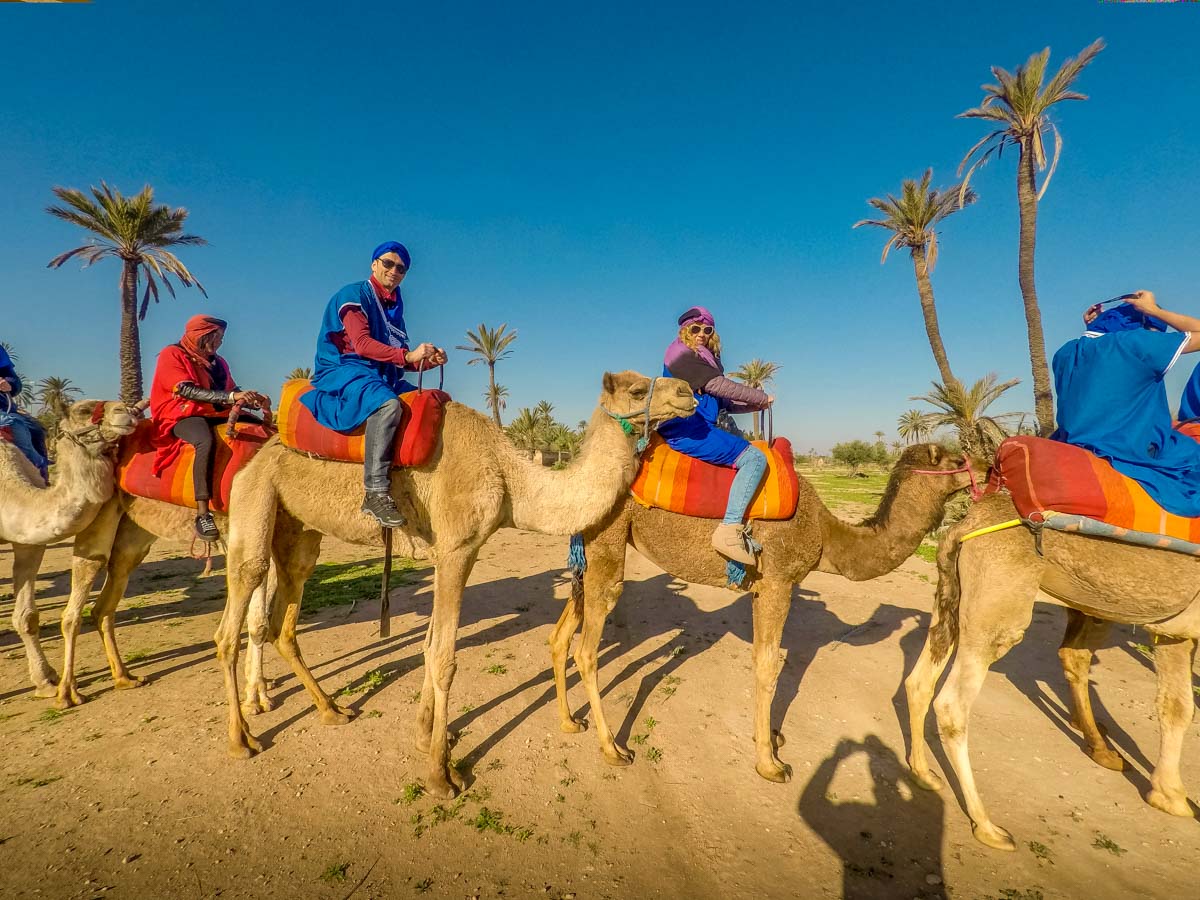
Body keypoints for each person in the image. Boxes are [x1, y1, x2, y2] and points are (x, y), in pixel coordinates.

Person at [301, 241, 447, 528]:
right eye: (388, 263)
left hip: (380, 373)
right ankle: (375, 491)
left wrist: (429, 361)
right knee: (388, 406)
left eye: (401, 268)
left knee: (432, 400)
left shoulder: (394, 309)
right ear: (374, 264)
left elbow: (400, 360)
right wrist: (408, 354)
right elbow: (363, 344)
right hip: (345, 369)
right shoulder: (355, 295)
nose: (394, 271)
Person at [1051, 290, 1200, 517]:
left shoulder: (1066, 352)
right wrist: (1154, 311)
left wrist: (1094, 326)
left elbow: (1098, 373)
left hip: (1075, 443)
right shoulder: (1136, 344)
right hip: (1125, 450)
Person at [658, 306, 774, 564]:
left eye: (707, 329)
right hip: (686, 429)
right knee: (754, 459)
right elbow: (717, 386)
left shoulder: (704, 360)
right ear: (684, 331)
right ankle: (729, 528)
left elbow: (721, 401)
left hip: (701, 426)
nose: (701, 334)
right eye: (695, 328)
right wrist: (760, 395)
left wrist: (756, 406)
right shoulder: (679, 355)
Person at [149, 315, 269, 541]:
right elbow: (185, 390)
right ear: (201, 335)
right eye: (217, 337)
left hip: (215, 411)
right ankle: (203, 513)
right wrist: (233, 396)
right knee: (205, 440)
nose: (220, 342)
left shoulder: (220, 362)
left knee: (263, 430)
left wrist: (252, 399)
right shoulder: (172, 354)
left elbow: (231, 390)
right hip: (180, 412)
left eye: (222, 338)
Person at [0, 342, 49, 480]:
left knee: (35, 430)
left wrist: (9, 384)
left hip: (3, 408)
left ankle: (41, 477)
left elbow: (14, 380)